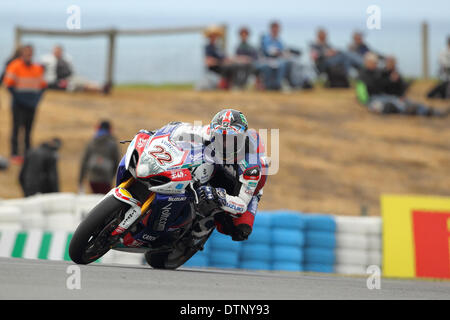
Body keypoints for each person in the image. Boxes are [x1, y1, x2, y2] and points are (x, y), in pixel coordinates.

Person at [356, 52, 447, 116]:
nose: (375, 64)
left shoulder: (380, 72)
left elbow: (391, 84)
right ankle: (415, 111)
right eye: (373, 62)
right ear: (367, 62)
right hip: (375, 98)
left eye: (376, 62)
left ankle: (431, 111)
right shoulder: (363, 75)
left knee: (407, 101)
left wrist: (393, 77)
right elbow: (369, 90)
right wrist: (365, 102)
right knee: (397, 103)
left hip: (386, 96)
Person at [2, 44, 47, 164]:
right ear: (22, 53)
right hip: (19, 104)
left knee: (28, 130)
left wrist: (36, 100)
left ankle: (28, 153)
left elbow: (43, 86)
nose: (28, 55)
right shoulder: (15, 66)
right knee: (16, 129)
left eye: (30, 53)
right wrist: (20, 99)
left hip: (32, 104)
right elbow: (9, 85)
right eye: (26, 53)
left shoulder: (37, 68)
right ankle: (15, 153)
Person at [40, 45, 110, 94]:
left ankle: (101, 87)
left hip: (70, 78)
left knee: (84, 82)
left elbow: (71, 70)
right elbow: (45, 73)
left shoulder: (65, 59)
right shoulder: (48, 60)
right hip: (61, 81)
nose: (58, 52)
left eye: (59, 51)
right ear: (53, 51)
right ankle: (101, 88)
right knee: (82, 85)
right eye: (56, 51)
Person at [78, 120, 121, 194]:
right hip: (106, 178)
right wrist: (115, 177)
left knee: (95, 199)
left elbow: (84, 161)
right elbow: (117, 161)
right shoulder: (112, 143)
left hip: (92, 178)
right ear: (110, 129)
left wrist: (81, 180)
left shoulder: (92, 142)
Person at [259, 21, 289, 90]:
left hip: (277, 60)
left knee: (283, 65)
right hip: (266, 59)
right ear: (271, 29)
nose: (276, 30)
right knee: (269, 66)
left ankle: (277, 84)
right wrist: (279, 52)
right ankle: (269, 85)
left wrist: (282, 53)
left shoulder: (279, 40)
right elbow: (268, 51)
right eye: (274, 29)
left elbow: (282, 51)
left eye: (277, 29)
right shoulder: (265, 38)